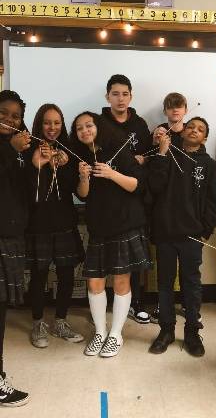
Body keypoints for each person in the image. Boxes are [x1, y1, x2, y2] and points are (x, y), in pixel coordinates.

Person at [71, 112, 151, 357]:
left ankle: (115, 334)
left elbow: (138, 185)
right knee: (94, 283)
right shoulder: (81, 157)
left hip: (124, 225)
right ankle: (100, 332)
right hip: (98, 228)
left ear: (98, 126)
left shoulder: (118, 149)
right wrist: (84, 177)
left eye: (89, 125)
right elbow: (83, 194)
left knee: (120, 281)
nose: (85, 130)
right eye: (79, 128)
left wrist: (111, 174)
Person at [148, 117, 216, 357]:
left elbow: (212, 201)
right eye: (190, 127)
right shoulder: (168, 154)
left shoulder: (208, 164)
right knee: (165, 284)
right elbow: (155, 186)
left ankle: (192, 331)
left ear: (205, 138)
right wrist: (161, 153)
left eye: (200, 129)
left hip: (192, 236)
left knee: (191, 284)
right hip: (166, 233)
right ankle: (166, 330)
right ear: (182, 131)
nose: (194, 131)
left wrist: (205, 231)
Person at [26, 104, 84, 349]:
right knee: (39, 276)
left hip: (64, 222)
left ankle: (60, 320)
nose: (52, 127)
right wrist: (37, 165)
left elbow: (76, 190)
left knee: (66, 274)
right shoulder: (29, 149)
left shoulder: (69, 150)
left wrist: (68, 164)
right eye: (47, 122)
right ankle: (38, 322)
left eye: (57, 122)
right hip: (38, 223)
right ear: (40, 123)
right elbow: (27, 192)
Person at [101, 74, 152, 324]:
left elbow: (147, 158)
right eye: (115, 94)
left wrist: (142, 160)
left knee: (133, 256)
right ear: (107, 96)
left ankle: (137, 302)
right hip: (107, 198)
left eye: (124, 94)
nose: (120, 99)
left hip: (133, 196)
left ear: (131, 96)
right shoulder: (99, 122)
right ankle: (111, 302)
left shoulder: (140, 125)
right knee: (108, 256)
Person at [0, 90, 30, 406]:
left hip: (11, 236)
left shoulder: (18, 148)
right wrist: (11, 149)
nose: (10, 119)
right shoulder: (9, 147)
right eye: (5, 113)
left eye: (16, 116)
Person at [150, 92, 189, 323]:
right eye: (171, 107)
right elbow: (150, 167)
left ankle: (187, 304)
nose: (175, 111)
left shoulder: (191, 131)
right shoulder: (158, 133)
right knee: (164, 268)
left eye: (179, 107)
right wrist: (155, 145)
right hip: (163, 207)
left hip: (186, 207)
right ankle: (163, 306)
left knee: (188, 268)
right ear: (165, 110)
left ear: (185, 109)